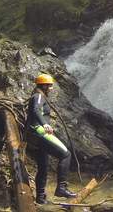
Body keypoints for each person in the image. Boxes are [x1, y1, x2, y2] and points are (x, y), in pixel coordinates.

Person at [26, 74, 77, 204]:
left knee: (43, 166)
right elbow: (36, 110)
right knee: (66, 155)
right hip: (39, 132)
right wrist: (45, 124)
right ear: (43, 85)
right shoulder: (38, 96)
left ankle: (41, 197)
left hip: (35, 134)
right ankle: (61, 188)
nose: (51, 88)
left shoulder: (39, 96)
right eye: (50, 85)